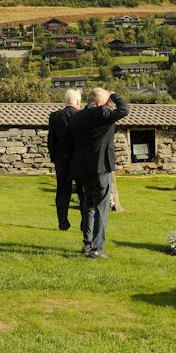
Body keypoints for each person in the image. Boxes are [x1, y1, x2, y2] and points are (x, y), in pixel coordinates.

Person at [67, 87, 129, 258]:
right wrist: (114, 95)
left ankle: (87, 243)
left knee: (88, 205)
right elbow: (124, 109)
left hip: (82, 167)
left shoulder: (77, 116)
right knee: (101, 207)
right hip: (101, 167)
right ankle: (97, 248)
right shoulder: (103, 113)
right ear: (101, 101)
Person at [47, 88, 82, 231]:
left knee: (62, 191)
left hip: (61, 160)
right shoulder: (82, 116)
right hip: (79, 160)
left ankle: (63, 222)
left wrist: (54, 157)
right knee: (82, 191)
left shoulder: (54, 116)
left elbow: (51, 140)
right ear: (78, 102)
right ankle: (84, 223)